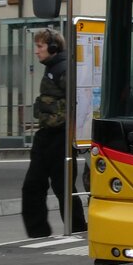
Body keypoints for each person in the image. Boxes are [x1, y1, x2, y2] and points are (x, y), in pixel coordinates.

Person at [22, 28, 87, 238]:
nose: (36, 51)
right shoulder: (52, 67)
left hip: (60, 136)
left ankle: (77, 229)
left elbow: (78, 100)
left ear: (52, 47)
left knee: (63, 187)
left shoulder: (63, 69)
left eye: (40, 46)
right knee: (34, 185)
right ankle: (38, 233)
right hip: (46, 135)